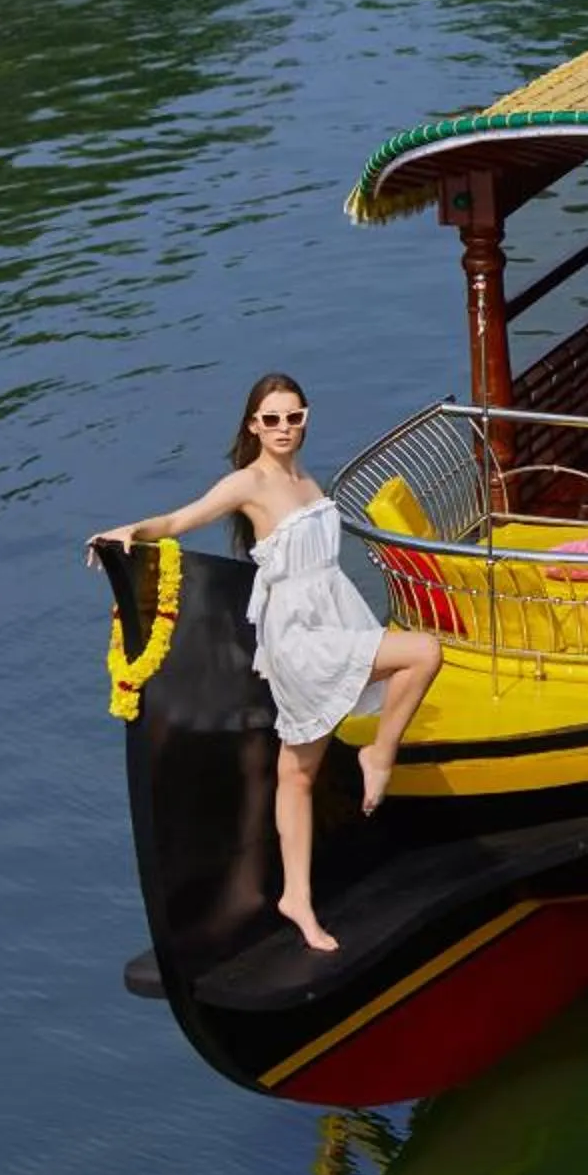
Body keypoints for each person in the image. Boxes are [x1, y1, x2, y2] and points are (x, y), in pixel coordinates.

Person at [88, 373, 442, 956]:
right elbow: (181, 521)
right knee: (423, 651)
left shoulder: (305, 478)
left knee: (296, 774)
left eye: (293, 417)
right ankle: (380, 753)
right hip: (299, 639)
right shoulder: (248, 482)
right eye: (271, 419)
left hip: (332, 619)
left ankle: (295, 897)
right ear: (253, 424)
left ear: (306, 418)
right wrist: (128, 533)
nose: (283, 428)